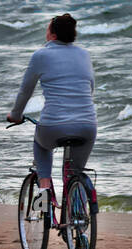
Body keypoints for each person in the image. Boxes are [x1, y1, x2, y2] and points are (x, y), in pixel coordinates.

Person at [6, 13, 97, 202]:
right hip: (87, 125)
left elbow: (25, 91)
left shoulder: (41, 55)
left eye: (47, 29)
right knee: (75, 172)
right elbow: (90, 88)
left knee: (41, 147)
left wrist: (15, 115)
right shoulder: (84, 54)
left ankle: (44, 202)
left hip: (53, 126)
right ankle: (77, 218)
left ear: (53, 35)